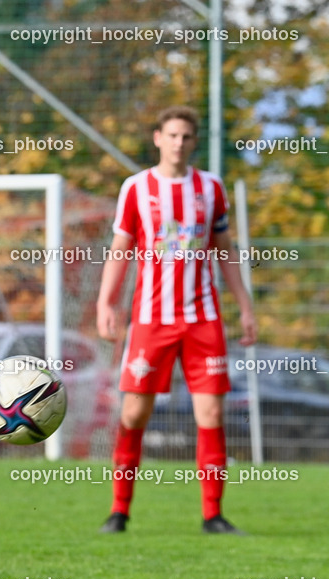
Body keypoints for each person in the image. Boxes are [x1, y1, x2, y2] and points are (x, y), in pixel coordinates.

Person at [96, 105, 257, 534]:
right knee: (133, 415)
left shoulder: (211, 188)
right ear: (157, 137)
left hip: (204, 320)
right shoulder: (136, 188)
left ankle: (213, 515)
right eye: (172, 135)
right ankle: (119, 511)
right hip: (151, 320)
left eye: (186, 136)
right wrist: (105, 303)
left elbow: (225, 251)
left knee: (212, 415)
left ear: (193, 141)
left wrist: (244, 305)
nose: (179, 143)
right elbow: (120, 250)